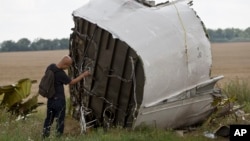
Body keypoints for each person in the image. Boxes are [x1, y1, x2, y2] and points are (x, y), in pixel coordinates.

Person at [42, 55, 90, 138]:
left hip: (50, 100)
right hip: (59, 101)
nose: (67, 68)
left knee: (48, 120)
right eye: (68, 66)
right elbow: (72, 82)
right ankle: (58, 137)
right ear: (65, 64)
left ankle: (44, 137)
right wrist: (83, 75)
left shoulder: (50, 67)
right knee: (60, 120)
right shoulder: (61, 74)